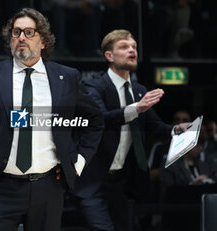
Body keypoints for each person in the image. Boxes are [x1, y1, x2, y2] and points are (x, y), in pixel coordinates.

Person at [0, 8, 103, 231]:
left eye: (28, 32)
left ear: (43, 41)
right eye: (16, 33)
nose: (21, 38)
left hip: (49, 186)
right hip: (0, 186)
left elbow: (94, 119)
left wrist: (79, 161)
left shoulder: (66, 77)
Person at [73, 29, 189, 231]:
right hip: (92, 181)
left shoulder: (139, 90)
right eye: (124, 47)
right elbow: (101, 119)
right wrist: (137, 108)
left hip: (122, 183)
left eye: (134, 46)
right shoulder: (93, 87)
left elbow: (155, 126)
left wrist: (176, 130)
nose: (131, 50)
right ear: (109, 55)